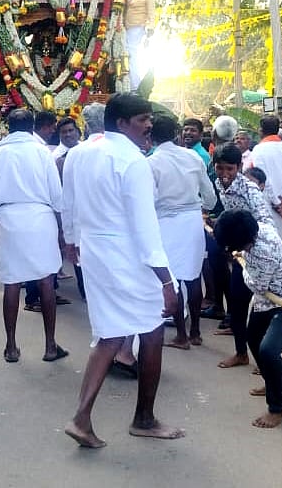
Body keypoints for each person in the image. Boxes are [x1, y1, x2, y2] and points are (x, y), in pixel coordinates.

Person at [62, 93, 183, 448]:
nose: (149, 125)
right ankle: (144, 418)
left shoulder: (80, 153)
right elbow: (145, 228)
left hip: (96, 252)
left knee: (110, 334)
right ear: (121, 123)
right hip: (128, 255)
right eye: (143, 119)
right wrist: (166, 280)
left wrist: (71, 241)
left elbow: (68, 202)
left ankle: (81, 418)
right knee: (152, 331)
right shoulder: (133, 162)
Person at [0, 109, 68, 363]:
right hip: (41, 220)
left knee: (12, 282)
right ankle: (51, 345)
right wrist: (62, 230)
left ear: (8, 126)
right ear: (32, 126)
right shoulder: (43, 152)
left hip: (9, 221)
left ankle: (10, 346)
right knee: (46, 280)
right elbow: (57, 195)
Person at [213, 209, 282, 429]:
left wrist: (242, 262)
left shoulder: (262, 252)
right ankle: (279, 383)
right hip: (267, 301)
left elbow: (257, 285)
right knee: (253, 337)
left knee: (268, 350)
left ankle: (277, 408)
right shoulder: (260, 228)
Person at [148, 114, 216, 349]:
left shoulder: (151, 163)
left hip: (166, 223)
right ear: (177, 133)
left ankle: (181, 335)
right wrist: (199, 209)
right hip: (191, 220)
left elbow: (150, 200)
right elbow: (210, 196)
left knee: (173, 279)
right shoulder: (193, 157)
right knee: (194, 276)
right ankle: (195, 331)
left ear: (151, 137)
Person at [213, 144, 272, 368]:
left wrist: (249, 244)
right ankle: (241, 353)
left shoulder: (250, 190)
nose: (225, 175)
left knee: (263, 309)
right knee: (237, 303)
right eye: (220, 169)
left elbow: (265, 223)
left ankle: (268, 363)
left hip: (258, 256)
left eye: (230, 169)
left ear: (239, 167)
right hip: (240, 255)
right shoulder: (219, 183)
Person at [250, 115, 282, 256]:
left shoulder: (257, 150)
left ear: (260, 130)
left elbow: (262, 179)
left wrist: (275, 202)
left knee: (267, 252)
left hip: (265, 206)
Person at [124, 0, 156, 91]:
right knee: (125, 54)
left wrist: (150, 29)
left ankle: (135, 86)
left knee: (131, 55)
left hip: (138, 28)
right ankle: (127, 84)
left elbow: (151, 15)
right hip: (126, 28)